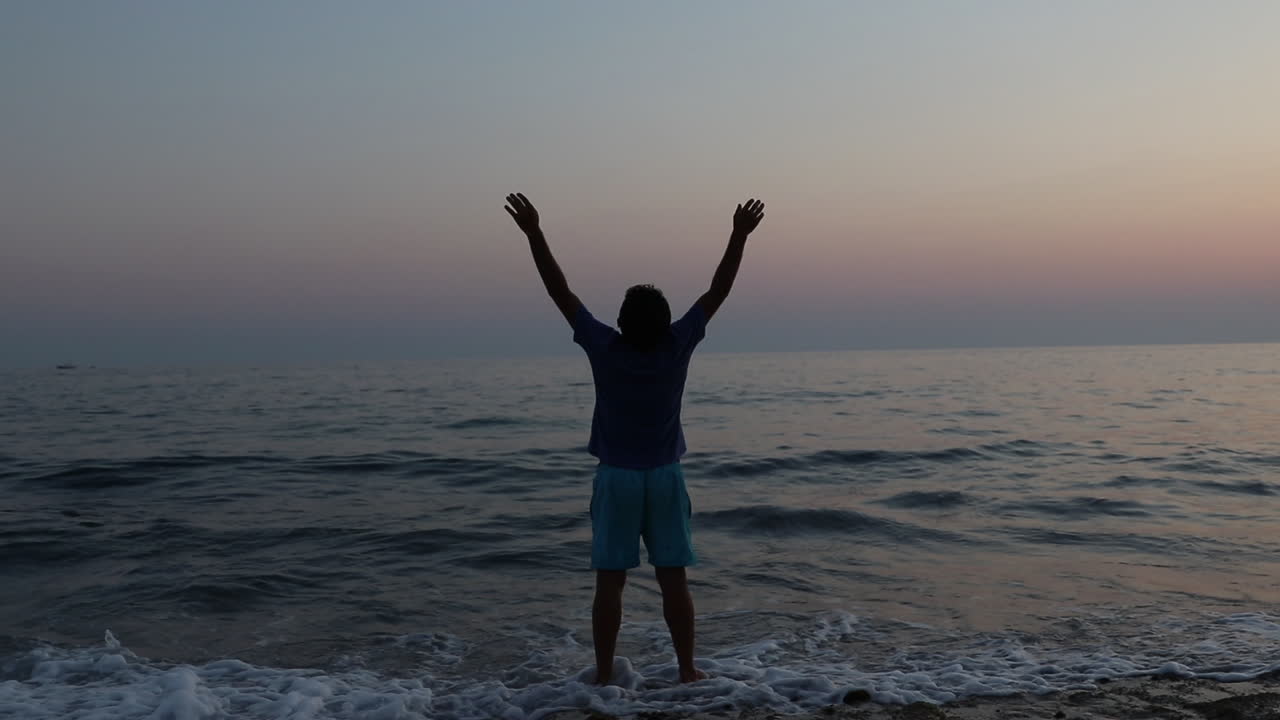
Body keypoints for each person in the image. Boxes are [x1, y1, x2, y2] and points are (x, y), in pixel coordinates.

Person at [504, 192, 765, 685]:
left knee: (611, 585)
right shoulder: (678, 343)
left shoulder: (606, 346)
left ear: (621, 322)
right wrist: (738, 235)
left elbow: (561, 293)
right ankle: (687, 670)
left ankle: (604, 674)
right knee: (674, 581)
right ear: (666, 322)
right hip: (665, 479)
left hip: (618, 481)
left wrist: (534, 233)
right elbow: (717, 292)